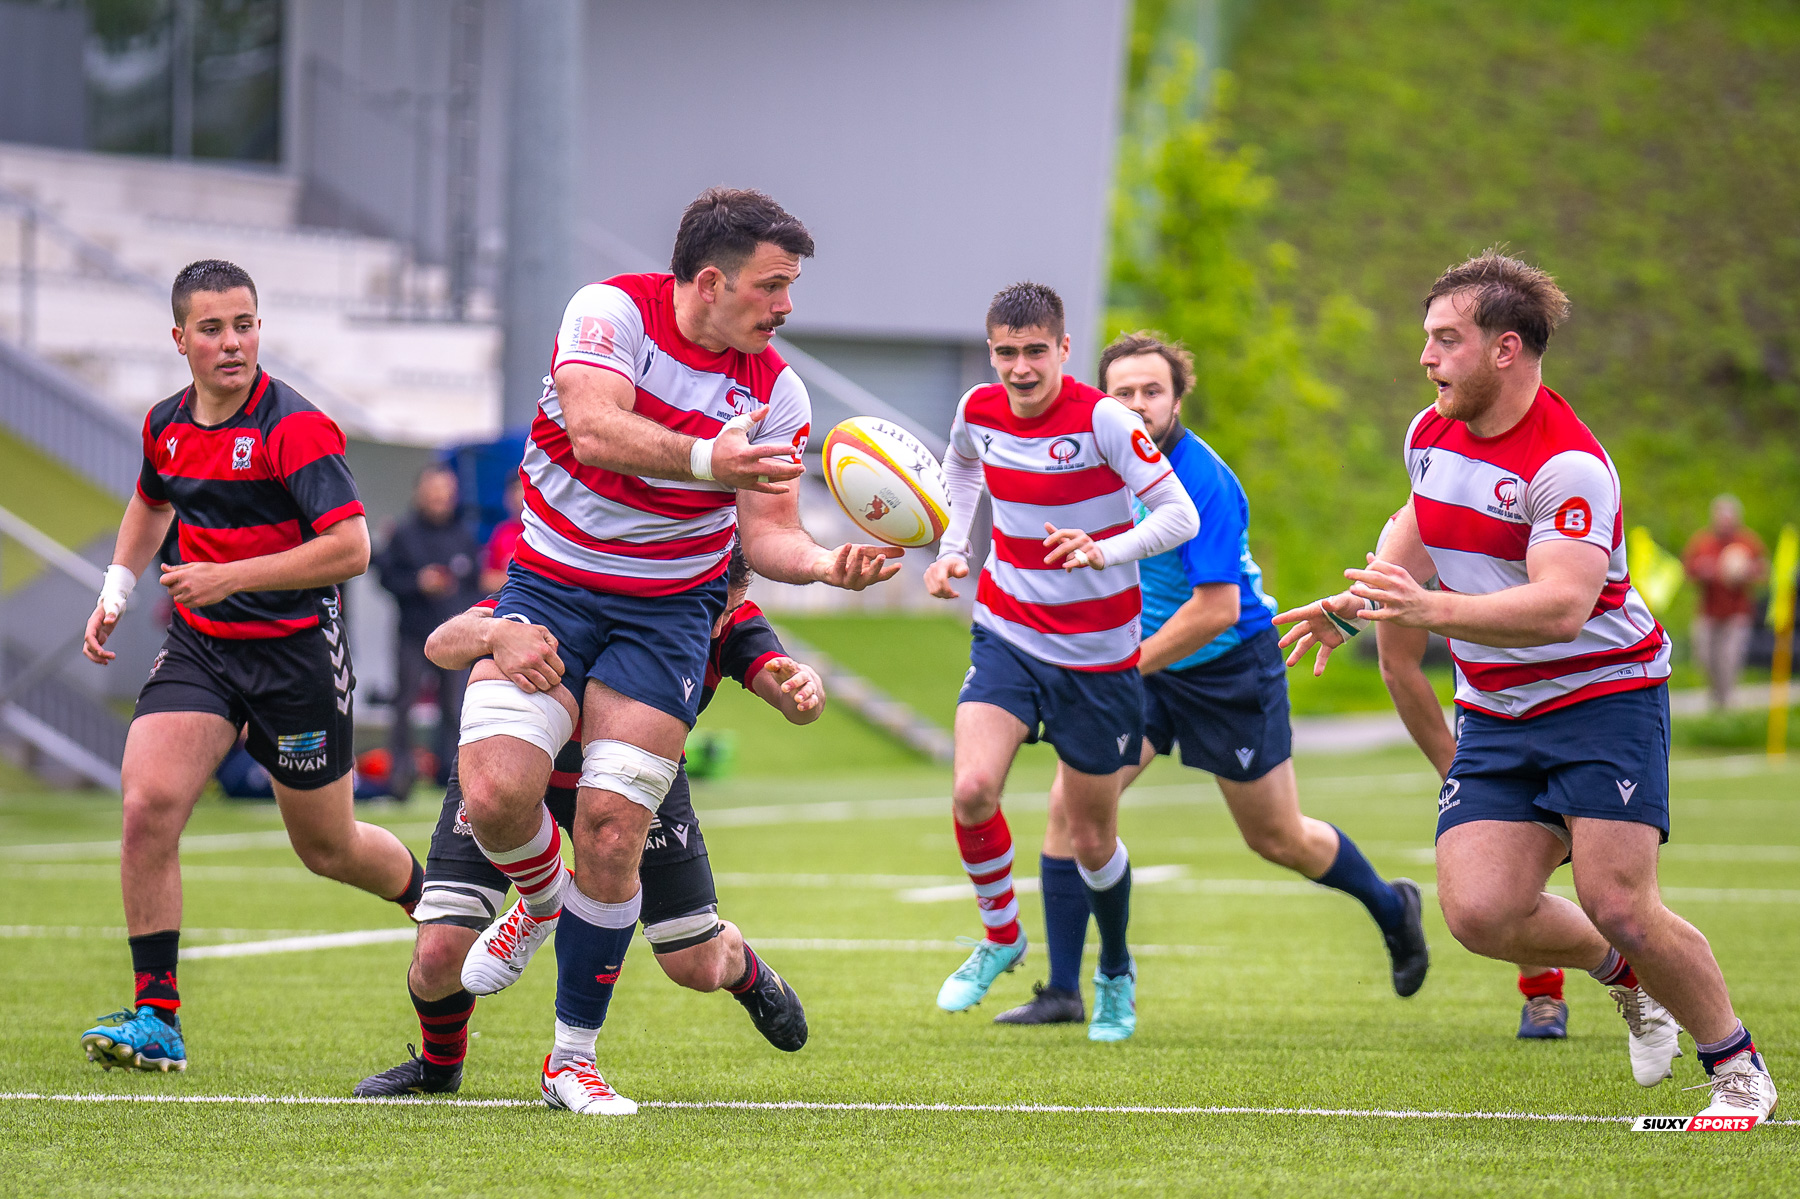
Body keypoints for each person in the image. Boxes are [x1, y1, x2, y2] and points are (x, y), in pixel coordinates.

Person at [1276, 250, 1777, 1123]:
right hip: (1498, 708)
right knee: (1478, 910)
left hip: (1602, 696)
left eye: (1445, 340)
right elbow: (1415, 529)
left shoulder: (1570, 465)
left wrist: (1430, 608)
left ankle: (1737, 1068)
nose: (1426, 358)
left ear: (1506, 349)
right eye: (1426, 339)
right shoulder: (1430, 432)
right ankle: (1628, 979)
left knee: (1619, 901)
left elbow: (1561, 606)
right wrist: (1355, 607)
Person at [454, 187, 900, 1115]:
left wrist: (826, 562)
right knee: (496, 794)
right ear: (710, 280)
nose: (785, 308)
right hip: (550, 587)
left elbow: (769, 531)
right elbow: (593, 428)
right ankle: (537, 897)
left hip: (668, 616)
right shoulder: (609, 311)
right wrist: (711, 460)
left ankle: (570, 1058)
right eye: (773, 287)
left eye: (791, 288)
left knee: (613, 831)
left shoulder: (778, 388)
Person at [995, 333, 1429, 1031]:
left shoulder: (1204, 479)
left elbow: (1216, 608)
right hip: (1140, 666)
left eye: (1151, 391)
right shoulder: (1090, 468)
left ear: (1176, 397)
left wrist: (1114, 665)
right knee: (1068, 810)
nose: (1135, 405)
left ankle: (1390, 905)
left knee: (1277, 836)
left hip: (1228, 665)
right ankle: (1063, 991)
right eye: (1122, 392)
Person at [78, 259, 422, 1073]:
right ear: (180, 339)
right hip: (201, 646)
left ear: (259, 329)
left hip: (296, 652)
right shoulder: (165, 422)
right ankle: (157, 1015)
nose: (231, 343)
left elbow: (352, 548)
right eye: (211, 328)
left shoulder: (293, 428)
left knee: (328, 846)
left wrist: (229, 574)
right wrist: (116, 589)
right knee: (147, 804)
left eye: (244, 324)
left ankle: (443, 904)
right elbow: (151, 499)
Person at [355, 546, 820, 1098]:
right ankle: (440, 1067)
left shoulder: (727, 618)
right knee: (439, 955)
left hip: (634, 778)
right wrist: (493, 635)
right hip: (519, 768)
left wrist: (800, 693)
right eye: (712, 604)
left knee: (693, 964)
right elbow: (440, 642)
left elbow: (778, 678)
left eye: (723, 608)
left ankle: (738, 963)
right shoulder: (579, 583)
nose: (714, 618)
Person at [924, 285, 1199, 1042]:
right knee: (974, 787)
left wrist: (1101, 549)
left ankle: (1113, 968)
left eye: (1034, 351)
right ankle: (1003, 935)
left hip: (1100, 660)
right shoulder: (977, 408)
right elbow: (961, 467)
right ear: (992, 352)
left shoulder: (1104, 420)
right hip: (1007, 631)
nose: (1019, 368)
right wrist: (953, 550)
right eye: (1006, 352)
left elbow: (1181, 515)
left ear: (1064, 350)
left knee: (1091, 839)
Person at [1373, 564, 1567, 1039]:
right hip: (1493, 717)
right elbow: (1397, 663)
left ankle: (1648, 978)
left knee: (1616, 889)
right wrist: (1450, 763)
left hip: (1599, 700)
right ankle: (1544, 986)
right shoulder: (1418, 524)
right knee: (1498, 880)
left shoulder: (1554, 499)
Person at [376, 465, 482, 796]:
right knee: (403, 705)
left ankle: (450, 776)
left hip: (454, 638)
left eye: (444, 492)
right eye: (433, 491)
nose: (439, 498)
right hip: (413, 634)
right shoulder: (403, 534)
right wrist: (418, 583)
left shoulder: (464, 535)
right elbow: (385, 578)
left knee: (455, 707)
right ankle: (400, 777)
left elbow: (475, 583)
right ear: (420, 493)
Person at [1682, 495, 1767, 711]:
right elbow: (1687, 569)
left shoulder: (1748, 541)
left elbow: (1763, 569)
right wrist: (1703, 570)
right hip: (1708, 611)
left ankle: (1726, 704)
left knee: (1730, 658)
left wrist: (1747, 571)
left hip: (1737, 613)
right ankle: (1716, 696)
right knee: (1705, 656)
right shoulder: (1703, 542)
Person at [480, 477, 526, 594]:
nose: (518, 496)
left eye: (522, 489)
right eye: (514, 490)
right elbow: (486, 580)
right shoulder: (502, 532)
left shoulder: (544, 530)